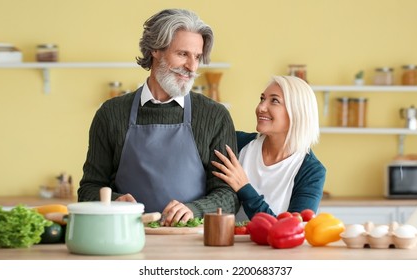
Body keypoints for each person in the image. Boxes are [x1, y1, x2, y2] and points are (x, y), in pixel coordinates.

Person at [78, 9, 239, 226]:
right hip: (124, 237)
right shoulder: (111, 114)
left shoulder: (214, 116)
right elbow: (88, 190)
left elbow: (229, 194)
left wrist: (193, 210)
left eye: (197, 57)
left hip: (191, 243)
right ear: (155, 49)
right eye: (182, 54)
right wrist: (115, 202)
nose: (192, 67)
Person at [211, 76, 326, 222]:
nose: (261, 107)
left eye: (274, 101)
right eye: (262, 99)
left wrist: (244, 188)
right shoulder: (237, 143)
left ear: (296, 112)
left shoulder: (312, 171)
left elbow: (291, 230)